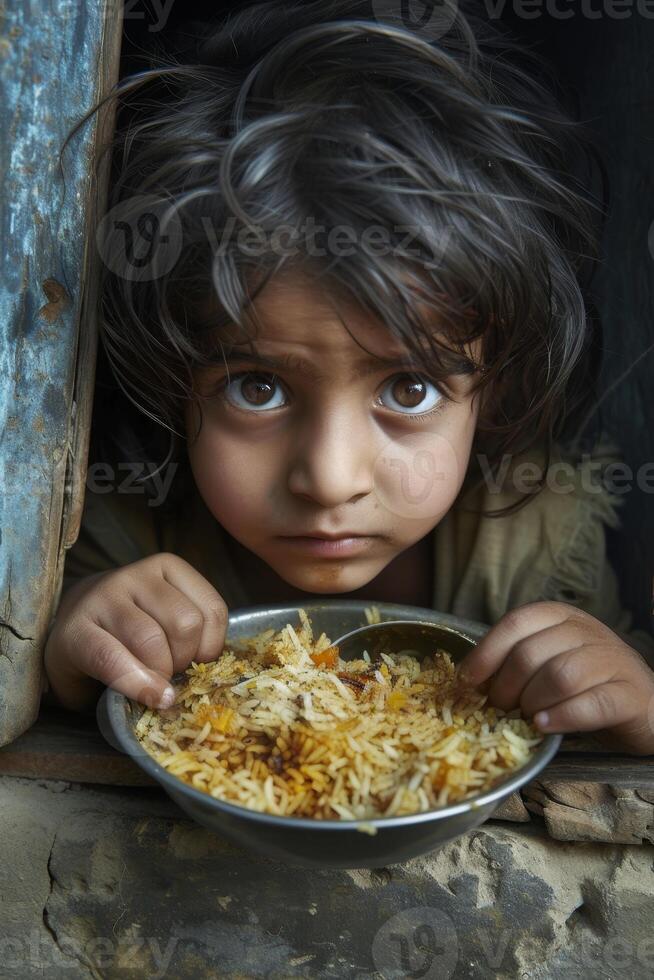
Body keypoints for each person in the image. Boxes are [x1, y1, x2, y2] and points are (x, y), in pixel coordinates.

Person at [44, 0, 654, 754]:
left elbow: (610, 693)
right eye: (257, 387)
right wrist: (71, 644)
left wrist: (640, 708)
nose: (330, 481)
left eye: (409, 389)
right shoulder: (124, 536)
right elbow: (55, 658)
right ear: (176, 380)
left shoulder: (534, 549)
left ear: (490, 391)